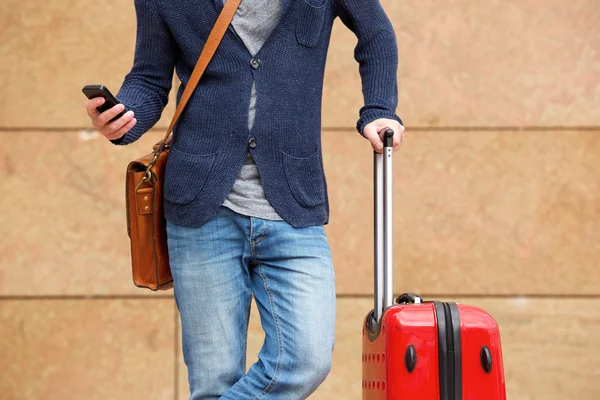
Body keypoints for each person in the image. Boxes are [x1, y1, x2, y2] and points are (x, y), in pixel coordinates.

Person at [84, 0, 404, 398]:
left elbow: (376, 35)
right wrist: (123, 118)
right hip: (200, 206)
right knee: (214, 380)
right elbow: (149, 77)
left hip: (293, 201)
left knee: (306, 361)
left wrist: (378, 108)